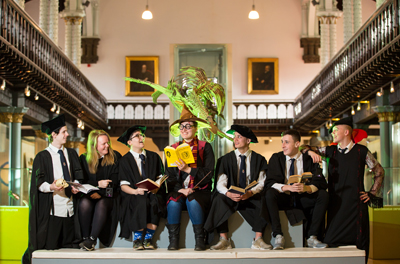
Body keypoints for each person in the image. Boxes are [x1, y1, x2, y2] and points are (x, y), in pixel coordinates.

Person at [303, 116, 384, 261]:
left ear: (346, 132)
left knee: (360, 244)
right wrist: (310, 152)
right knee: (329, 241)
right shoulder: (330, 150)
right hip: (336, 204)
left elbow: (379, 171)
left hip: (356, 205)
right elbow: (304, 148)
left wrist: (371, 193)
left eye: (335, 130)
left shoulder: (362, 151)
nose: (333, 133)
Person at [22, 115, 83, 264]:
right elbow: (38, 183)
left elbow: (78, 175)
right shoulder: (42, 157)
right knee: (51, 251)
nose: (67, 135)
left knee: (70, 251)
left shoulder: (72, 154)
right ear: (54, 135)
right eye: (64, 132)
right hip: (52, 212)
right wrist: (51, 186)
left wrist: (75, 186)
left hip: (71, 210)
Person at [204, 125, 270, 250]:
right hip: (231, 195)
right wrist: (228, 193)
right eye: (234, 137)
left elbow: (261, 182)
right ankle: (223, 239)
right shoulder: (225, 159)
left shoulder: (259, 159)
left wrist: (250, 192)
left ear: (248, 140)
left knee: (264, 198)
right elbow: (220, 183)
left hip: (250, 195)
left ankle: (258, 239)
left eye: (239, 137)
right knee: (219, 199)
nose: (235, 140)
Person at [265, 129, 329, 250]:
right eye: (282, 142)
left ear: (297, 144)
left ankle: (312, 237)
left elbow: (320, 182)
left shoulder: (309, 159)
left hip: (302, 196)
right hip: (284, 197)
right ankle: (278, 235)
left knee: (323, 195)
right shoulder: (276, 158)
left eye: (286, 142)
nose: (283, 145)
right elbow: (269, 182)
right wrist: (286, 187)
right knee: (269, 194)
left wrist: (307, 188)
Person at [165, 106, 215, 251]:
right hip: (179, 189)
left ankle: (200, 239)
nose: (184, 129)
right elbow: (169, 176)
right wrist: (181, 189)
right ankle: (173, 240)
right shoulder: (173, 148)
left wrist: (188, 169)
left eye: (188, 126)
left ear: (195, 128)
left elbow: (209, 173)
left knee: (193, 201)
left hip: (200, 190)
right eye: (181, 127)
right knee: (173, 202)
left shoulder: (205, 147)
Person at [118, 125, 166, 250]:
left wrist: (157, 186)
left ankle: (148, 238)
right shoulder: (124, 161)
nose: (141, 138)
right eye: (137, 136)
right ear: (129, 142)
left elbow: (160, 176)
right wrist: (135, 191)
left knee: (154, 200)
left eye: (142, 135)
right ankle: (138, 238)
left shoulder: (154, 156)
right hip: (133, 194)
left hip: (153, 192)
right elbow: (123, 185)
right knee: (140, 200)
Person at [78, 130, 122, 251]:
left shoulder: (115, 157)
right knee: (84, 203)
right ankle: (85, 237)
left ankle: (92, 239)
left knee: (102, 203)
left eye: (108, 143)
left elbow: (114, 181)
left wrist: (100, 193)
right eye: (103, 144)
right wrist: (96, 186)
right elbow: (82, 182)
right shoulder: (83, 159)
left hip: (109, 195)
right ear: (94, 146)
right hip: (91, 194)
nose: (107, 145)